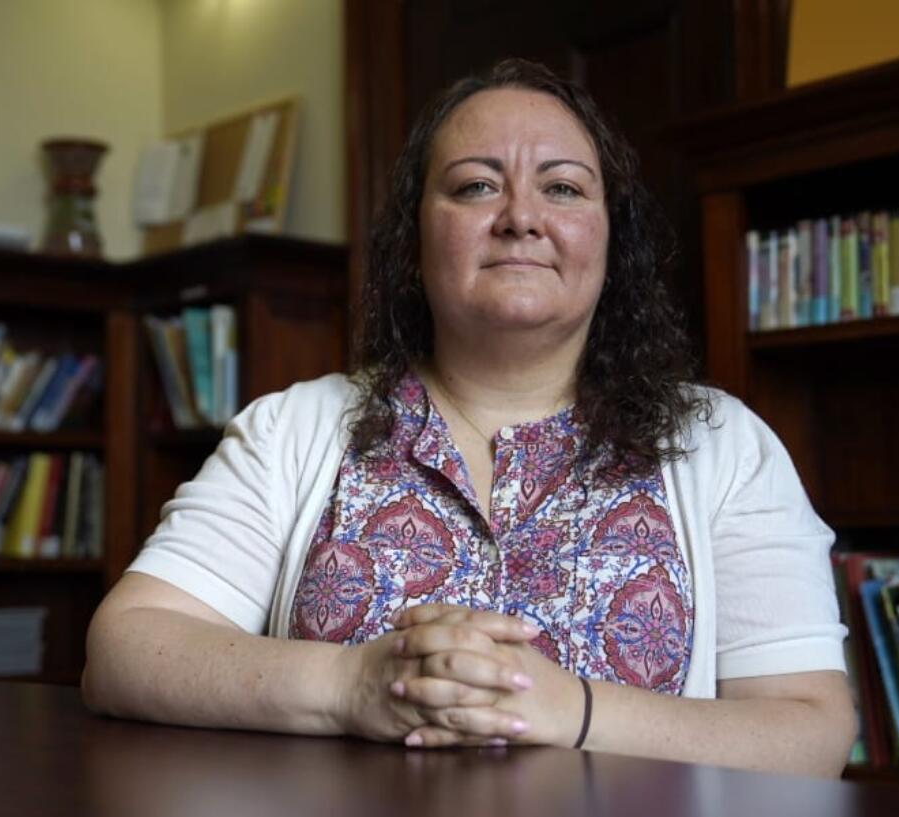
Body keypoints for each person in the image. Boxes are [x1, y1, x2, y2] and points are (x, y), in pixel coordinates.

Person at [82, 58, 856, 777]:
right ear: (415, 241)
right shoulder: (293, 430)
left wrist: (569, 708)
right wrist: (353, 683)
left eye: (563, 188)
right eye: (476, 186)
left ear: (611, 243)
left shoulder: (724, 445)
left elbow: (812, 731)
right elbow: (125, 649)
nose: (521, 217)